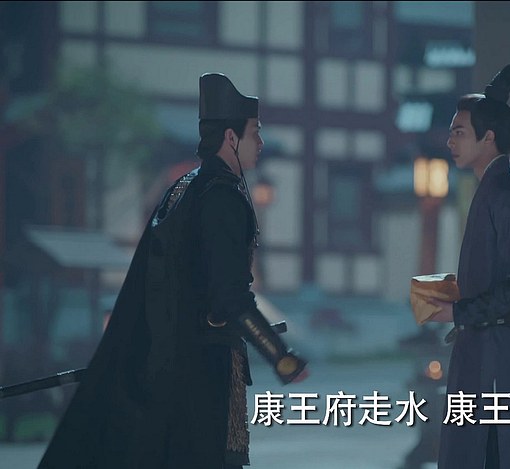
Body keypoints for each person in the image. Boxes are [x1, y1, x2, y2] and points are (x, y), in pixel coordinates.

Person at [39, 73, 308, 469]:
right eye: (255, 132)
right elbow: (230, 298)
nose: (262, 143)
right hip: (201, 373)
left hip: (166, 365)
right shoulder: (222, 198)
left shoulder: (184, 188)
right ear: (231, 137)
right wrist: (280, 356)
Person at [428, 63, 510, 468]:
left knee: (497, 454)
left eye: (459, 132)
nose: (450, 141)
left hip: (500, 352)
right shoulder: (493, 188)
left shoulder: (506, 192)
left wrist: (461, 311)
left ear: (489, 137)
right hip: (486, 347)